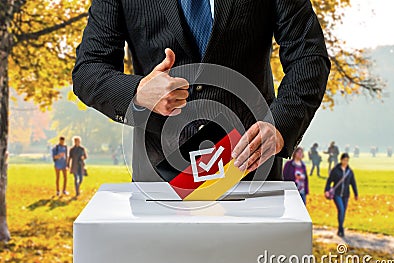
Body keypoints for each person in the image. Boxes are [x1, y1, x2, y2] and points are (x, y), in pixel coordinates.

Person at [72, 0, 330, 181]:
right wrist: (138, 92)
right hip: (160, 177)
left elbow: (309, 56)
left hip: (251, 170)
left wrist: (281, 125)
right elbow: (88, 70)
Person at [324, 153, 358, 237]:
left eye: (347, 160)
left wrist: (356, 193)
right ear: (341, 160)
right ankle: (341, 228)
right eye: (344, 160)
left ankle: (340, 228)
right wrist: (326, 190)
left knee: (343, 212)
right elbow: (329, 181)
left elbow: (353, 183)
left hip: (346, 194)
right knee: (341, 210)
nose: (346, 162)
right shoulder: (335, 170)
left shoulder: (349, 171)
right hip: (337, 194)